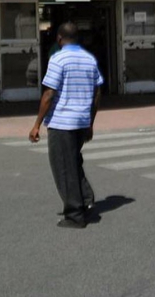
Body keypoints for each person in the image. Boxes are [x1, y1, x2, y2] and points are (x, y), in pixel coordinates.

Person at [28, 22, 103, 229]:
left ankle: (75, 214)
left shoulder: (57, 59)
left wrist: (36, 124)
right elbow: (97, 94)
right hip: (81, 121)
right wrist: (90, 122)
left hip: (62, 123)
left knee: (63, 167)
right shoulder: (90, 60)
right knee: (73, 162)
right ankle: (86, 199)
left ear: (59, 39)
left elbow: (49, 94)